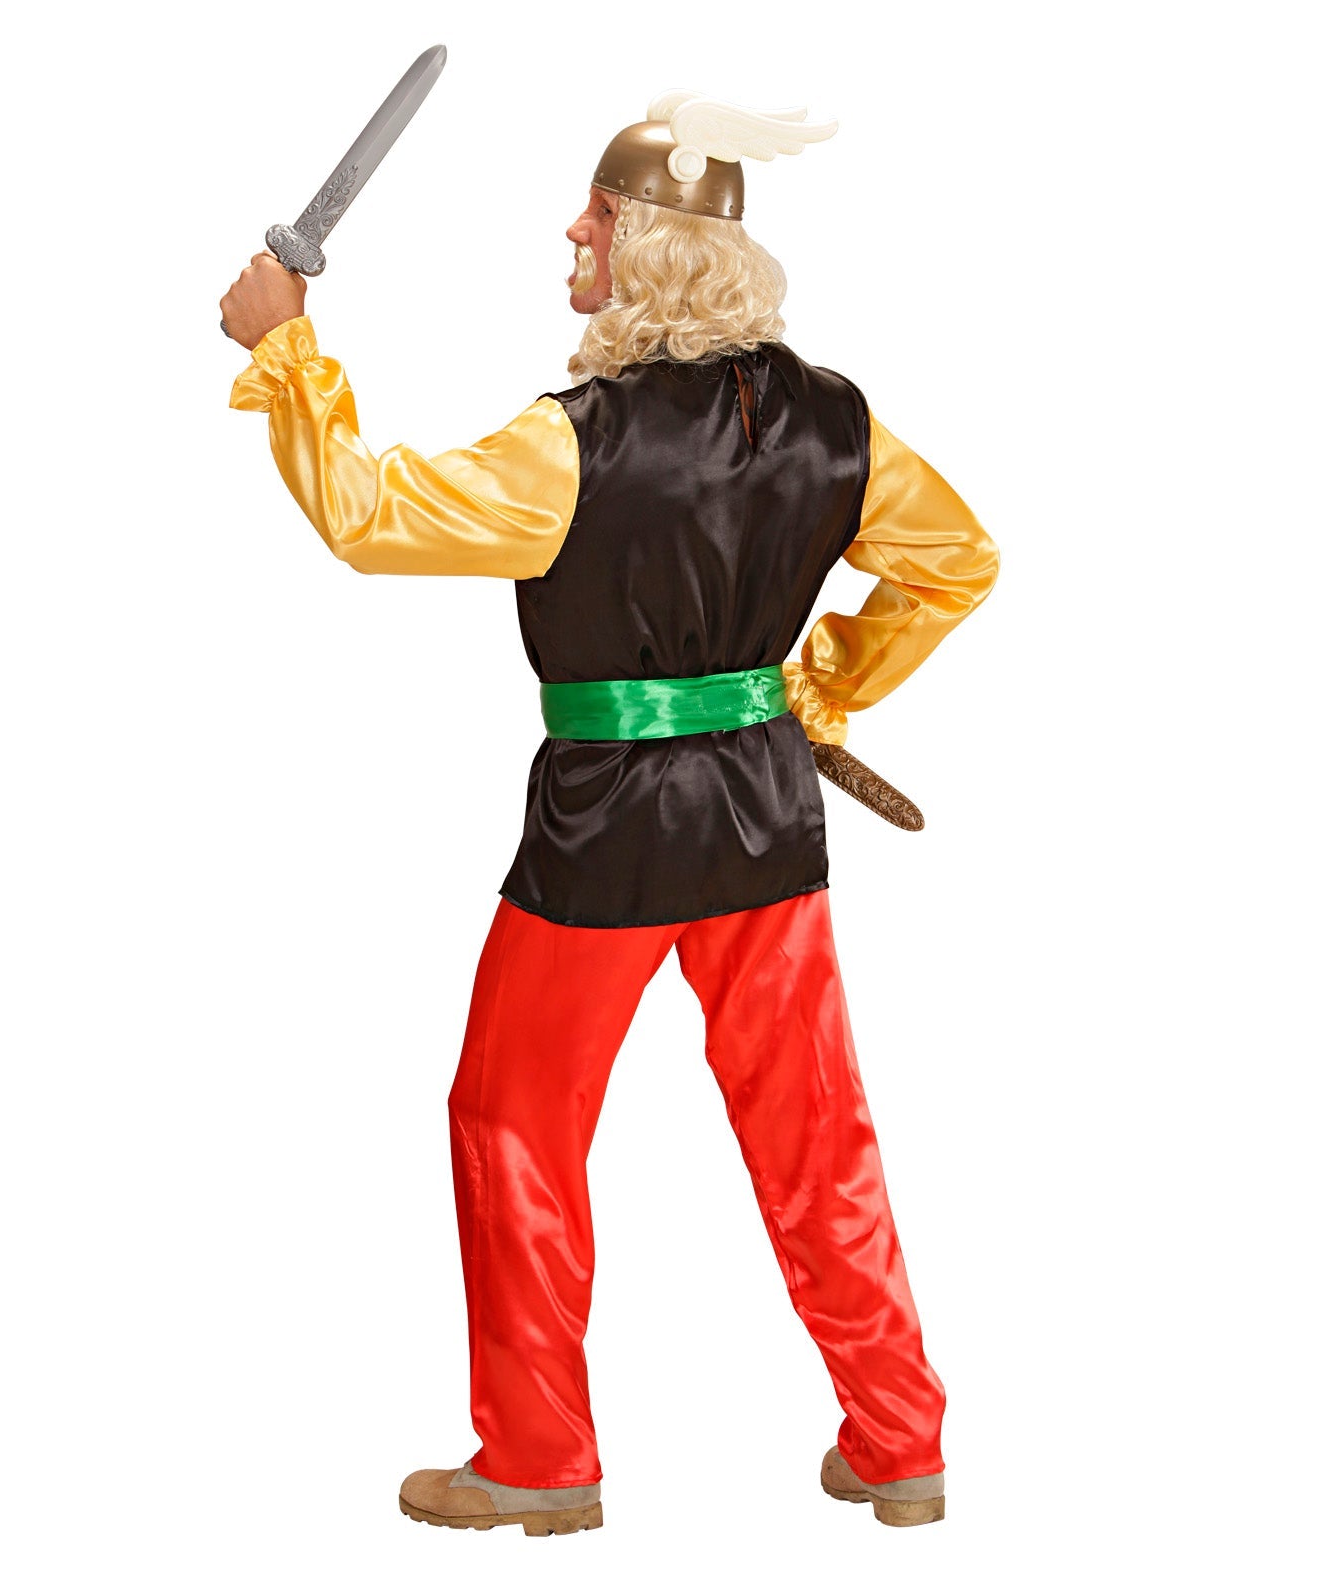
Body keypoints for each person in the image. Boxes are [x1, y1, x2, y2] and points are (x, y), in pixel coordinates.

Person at [220, 91, 999, 1537]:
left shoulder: (568, 445)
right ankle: (901, 1443)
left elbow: (370, 518)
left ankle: (538, 1456)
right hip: (765, 817)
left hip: (606, 835)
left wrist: (285, 350)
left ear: (651, 246)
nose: (572, 230)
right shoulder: (836, 421)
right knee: (814, 1132)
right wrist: (820, 690)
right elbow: (955, 560)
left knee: (513, 1121)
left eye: (598, 211)